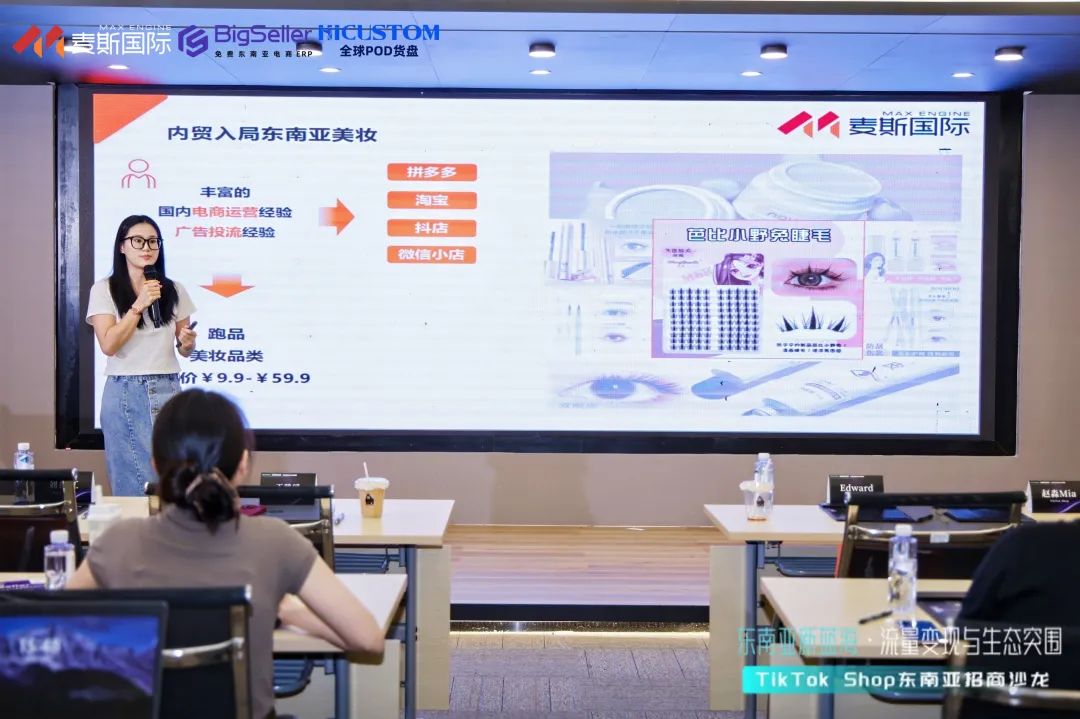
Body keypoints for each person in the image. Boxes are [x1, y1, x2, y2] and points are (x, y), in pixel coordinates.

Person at [67, 389, 385, 719]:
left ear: (155, 466)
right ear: (243, 464)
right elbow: (368, 639)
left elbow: (55, 635)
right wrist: (287, 611)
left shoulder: (116, 542)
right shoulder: (276, 541)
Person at [86, 215, 198, 496]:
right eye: (138, 241)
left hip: (168, 387)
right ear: (122, 246)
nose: (147, 247)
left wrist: (187, 343)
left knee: (173, 478)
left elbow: (184, 348)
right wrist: (139, 305)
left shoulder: (174, 289)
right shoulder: (104, 289)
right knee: (132, 483)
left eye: (153, 241)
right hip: (126, 390)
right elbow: (109, 344)